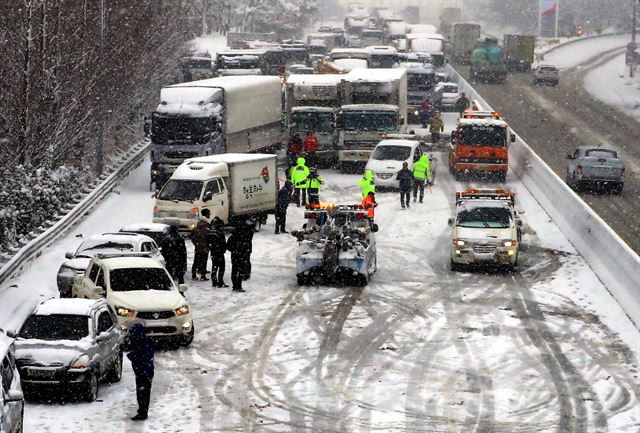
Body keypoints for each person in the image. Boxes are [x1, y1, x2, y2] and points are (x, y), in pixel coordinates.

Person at [126, 324, 155, 421]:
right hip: (143, 371)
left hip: (144, 372)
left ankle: (143, 412)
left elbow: (139, 356)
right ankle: (142, 410)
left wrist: (131, 355)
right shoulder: (144, 343)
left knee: (143, 393)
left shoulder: (143, 344)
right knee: (142, 392)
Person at [226, 222, 254, 292]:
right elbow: (247, 245)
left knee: (234, 270)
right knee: (240, 270)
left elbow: (228, 246)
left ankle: (235, 285)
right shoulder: (245, 237)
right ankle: (239, 285)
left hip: (235, 255)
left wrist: (234, 250)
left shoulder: (232, 237)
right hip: (242, 255)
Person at [190, 208, 210, 280]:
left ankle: (194, 274)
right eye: (209, 214)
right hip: (204, 246)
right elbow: (208, 237)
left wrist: (196, 243)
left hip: (198, 246)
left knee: (196, 260)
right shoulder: (207, 225)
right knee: (204, 261)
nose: (209, 215)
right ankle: (203, 275)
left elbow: (192, 236)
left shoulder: (198, 224)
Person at [207, 217, 227, 287]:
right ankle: (220, 281)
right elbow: (223, 243)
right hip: (219, 252)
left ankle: (214, 281)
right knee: (221, 267)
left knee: (214, 267)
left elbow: (207, 241)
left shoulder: (210, 232)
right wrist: (223, 249)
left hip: (213, 252)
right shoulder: (220, 233)